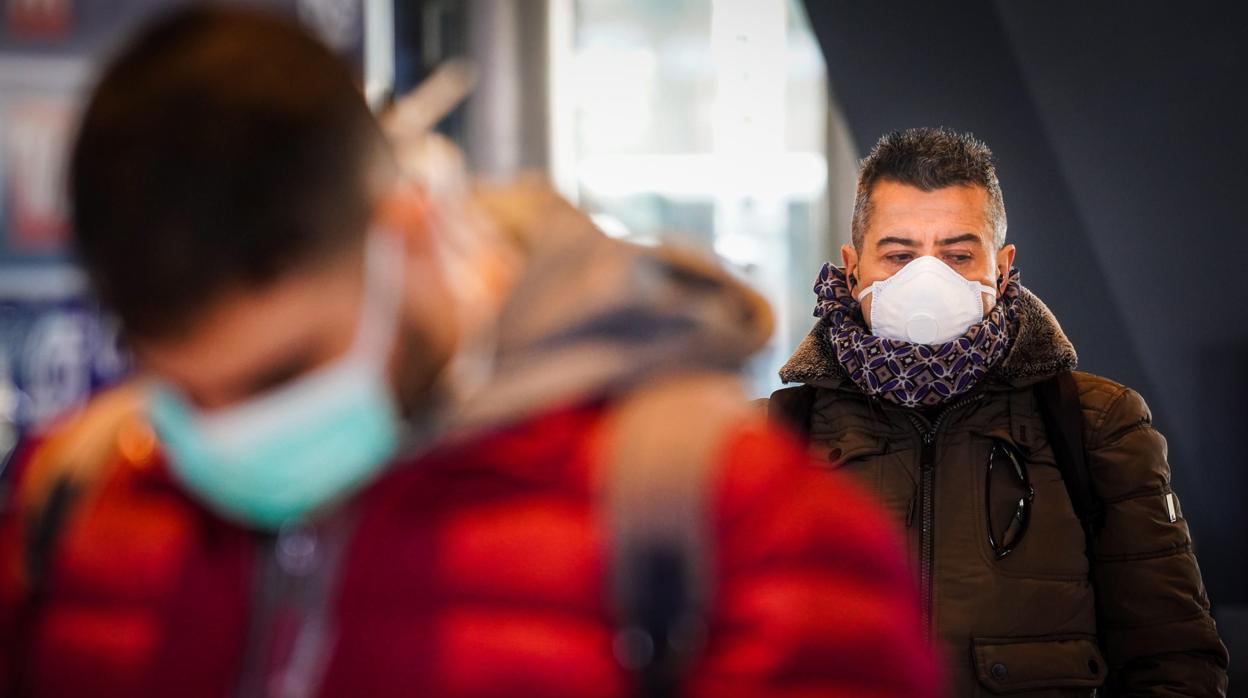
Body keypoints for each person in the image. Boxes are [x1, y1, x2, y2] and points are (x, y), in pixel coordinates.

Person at [0, 7, 939, 697]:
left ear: (405, 236)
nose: (232, 435)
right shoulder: (82, 499)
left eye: (285, 375)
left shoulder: (732, 523)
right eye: (180, 393)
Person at [769, 127, 1229, 696]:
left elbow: (1173, 659)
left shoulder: (1095, 423)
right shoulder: (774, 437)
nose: (927, 279)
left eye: (958, 255)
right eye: (899, 255)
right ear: (853, 266)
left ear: (1003, 266)